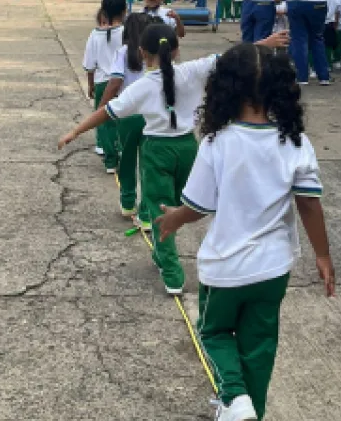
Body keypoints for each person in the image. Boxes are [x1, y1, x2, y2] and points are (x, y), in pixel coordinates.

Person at [156, 42, 335, 421]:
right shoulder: (296, 143)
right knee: (259, 345)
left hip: (226, 267)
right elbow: (309, 204)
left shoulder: (218, 143)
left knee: (215, 332)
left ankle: (234, 398)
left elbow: (197, 207)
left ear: (224, 89)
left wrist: (170, 219)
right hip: (273, 270)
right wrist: (323, 256)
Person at [61, 26, 289, 296]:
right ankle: (164, 255)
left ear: (142, 53)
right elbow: (235, 56)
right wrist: (266, 41)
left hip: (156, 151)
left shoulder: (141, 87)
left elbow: (107, 112)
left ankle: (172, 271)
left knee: (159, 211)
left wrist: (76, 131)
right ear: (176, 49)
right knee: (184, 208)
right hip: (188, 149)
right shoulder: (192, 71)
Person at [99, 13, 156, 228]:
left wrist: (102, 107)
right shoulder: (156, 54)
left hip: (128, 116)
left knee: (128, 161)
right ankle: (146, 214)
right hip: (152, 116)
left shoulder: (123, 53)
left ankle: (127, 203)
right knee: (149, 165)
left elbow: (115, 83)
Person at [82, 0, 127, 172]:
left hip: (102, 83)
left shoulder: (95, 35)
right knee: (122, 118)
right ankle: (123, 151)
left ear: (103, 11)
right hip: (123, 83)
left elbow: (89, 65)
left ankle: (110, 159)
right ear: (124, 11)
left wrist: (91, 85)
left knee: (104, 120)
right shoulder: (127, 32)